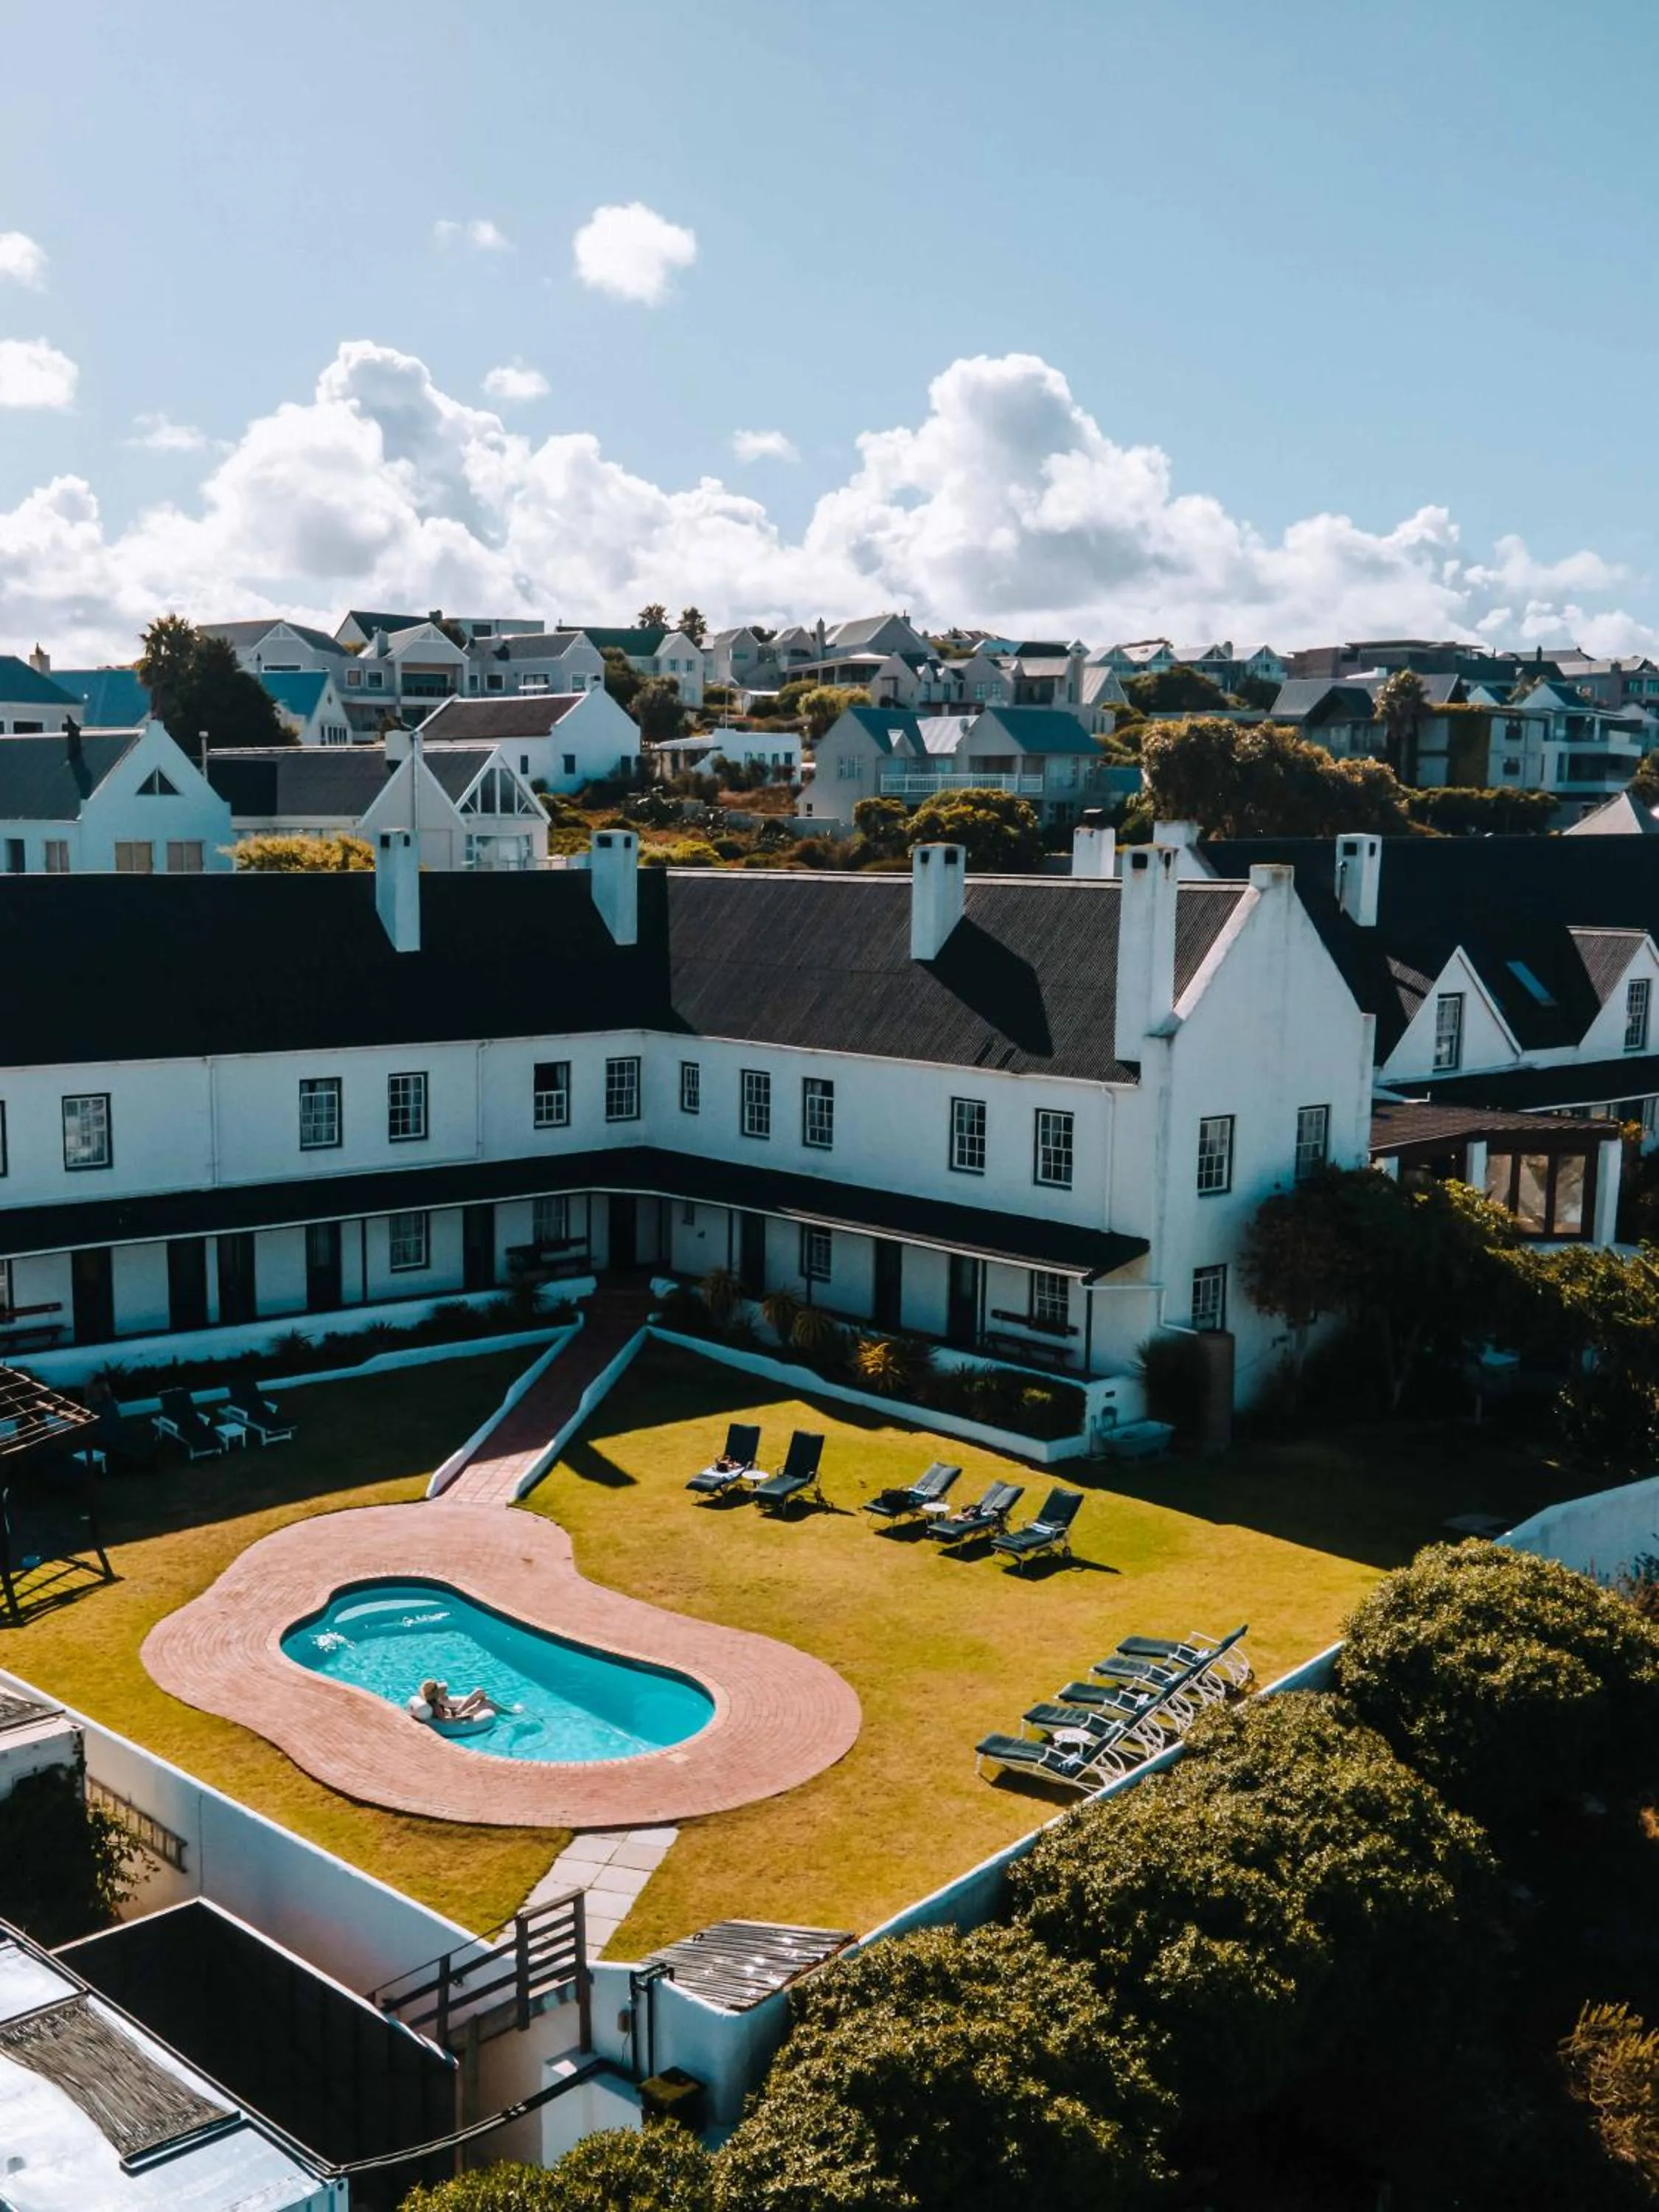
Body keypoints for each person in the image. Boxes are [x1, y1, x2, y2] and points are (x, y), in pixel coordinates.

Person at [414, 1677, 497, 1722]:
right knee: (486, 1701)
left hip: (455, 1712)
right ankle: (508, 1712)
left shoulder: (426, 1700)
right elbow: (445, 1720)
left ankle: (507, 1711)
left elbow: (444, 1686)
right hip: (458, 1715)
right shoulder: (435, 1705)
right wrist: (463, 1717)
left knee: (479, 1692)